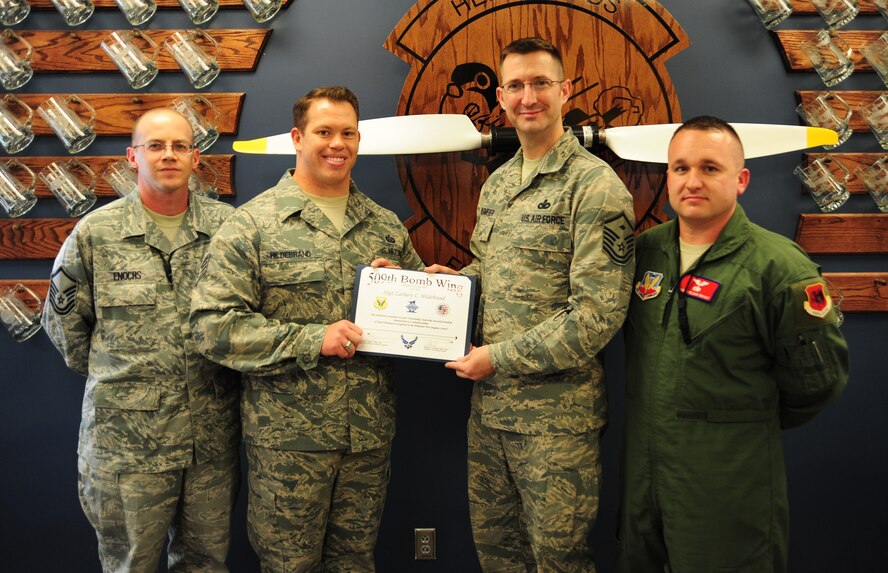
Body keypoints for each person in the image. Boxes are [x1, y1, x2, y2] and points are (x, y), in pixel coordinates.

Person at [189, 86, 424, 572]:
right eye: (324, 132)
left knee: (355, 561)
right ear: (298, 138)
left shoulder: (384, 226)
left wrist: (416, 287)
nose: (337, 144)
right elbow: (213, 327)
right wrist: (313, 339)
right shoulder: (252, 225)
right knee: (288, 565)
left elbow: (419, 322)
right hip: (288, 442)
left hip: (367, 435)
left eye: (348, 133)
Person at [425, 38, 636, 571]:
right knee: (499, 555)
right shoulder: (498, 184)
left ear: (565, 91)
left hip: (556, 421)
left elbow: (597, 316)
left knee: (557, 560)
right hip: (491, 413)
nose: (529, 97)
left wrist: (498, 358)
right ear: (500, 97)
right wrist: (448, 286)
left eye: (541, 83)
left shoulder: (595, 187)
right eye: (516, 86)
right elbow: (491, 273)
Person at [616, 116, 849, 572]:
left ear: (740, 180)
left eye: (710, 168)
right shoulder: (644, 254)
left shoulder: (777, 267)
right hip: (643, 481)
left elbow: (820, 381)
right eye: (680, 168)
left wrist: (738, 424)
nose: (692, 181)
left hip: (726, 482)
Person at [41, 108, 241, 572]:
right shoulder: (95, 233)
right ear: (133, 157)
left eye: (179, 146)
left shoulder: (228, 228)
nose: (168, 155)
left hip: (210, 439)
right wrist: (123, 380)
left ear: (195, 158)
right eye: (155, 146)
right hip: (128, 443)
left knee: (207, 563)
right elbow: (64, 325)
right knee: (131, 564)